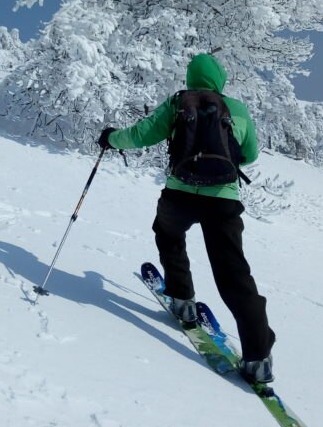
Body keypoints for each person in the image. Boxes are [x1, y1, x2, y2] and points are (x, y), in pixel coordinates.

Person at [98, 53, 277, 382]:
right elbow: (249, 155)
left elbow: (140, 135)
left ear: (191, 77)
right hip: (222, 200)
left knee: (168, 236)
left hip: (179, 193)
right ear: (220, 79)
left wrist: (111, 138)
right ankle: (258, 356)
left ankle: (182, 299)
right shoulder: (236, 109)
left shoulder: (178, 103)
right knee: (233, 274)